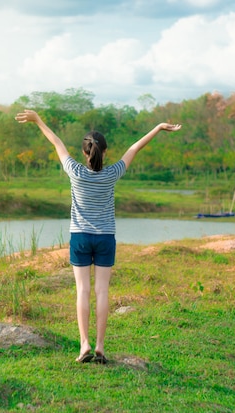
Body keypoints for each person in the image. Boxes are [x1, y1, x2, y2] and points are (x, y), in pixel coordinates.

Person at [15, 109, 181, 364]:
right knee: (101, 291)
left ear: (84, 153)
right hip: (105, 238)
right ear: (105, 152)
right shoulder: (112, 174)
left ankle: (84, 345)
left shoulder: (74, 172)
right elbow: (135, 147)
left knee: (83, 290)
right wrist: (158, 128)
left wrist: (38, 120)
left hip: (80, 237)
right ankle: (101, 345)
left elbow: (56, 141)